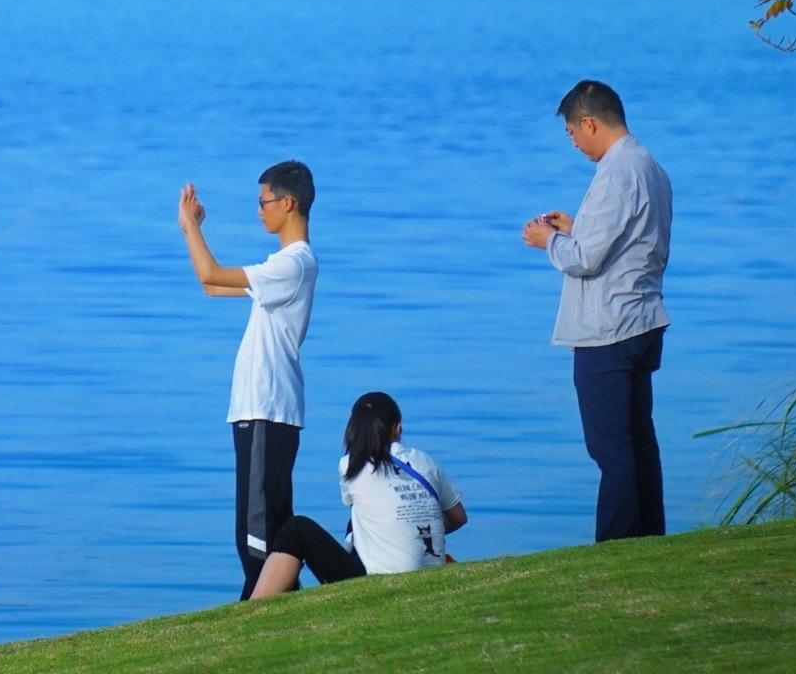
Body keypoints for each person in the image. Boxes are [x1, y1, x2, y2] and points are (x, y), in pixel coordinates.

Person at [521, 79, 673, 542]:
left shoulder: (614, 173)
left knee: (610, 446)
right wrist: (576, 227)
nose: (573, 142)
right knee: (638, 440)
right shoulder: (650, 167)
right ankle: (649, 535)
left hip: (609, 328)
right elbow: (626, 240)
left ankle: (616, 543)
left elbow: (584, 259)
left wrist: (549, 240)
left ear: (589, 123)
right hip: (642, 318)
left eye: (571, 132)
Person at [178, 161, 318, 600]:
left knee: (257, 540)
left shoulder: (292, 265)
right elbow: (213, 288)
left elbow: (210, 274)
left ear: (288, 202)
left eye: (263, 202)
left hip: (266, 408)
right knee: (268, 534)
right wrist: (191, 232)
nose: (259, 211)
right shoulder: (284, 267)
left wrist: (188, 225)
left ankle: (255, 619)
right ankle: (283, 612)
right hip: (265, 410)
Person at [250, 390, 467, 598]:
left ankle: (255, 605)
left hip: (377, 579)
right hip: (429, 568)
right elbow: (459, 517)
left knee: (296, 530)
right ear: (397, 428)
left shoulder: (350, 464)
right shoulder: (425, 460)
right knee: (355, 525)